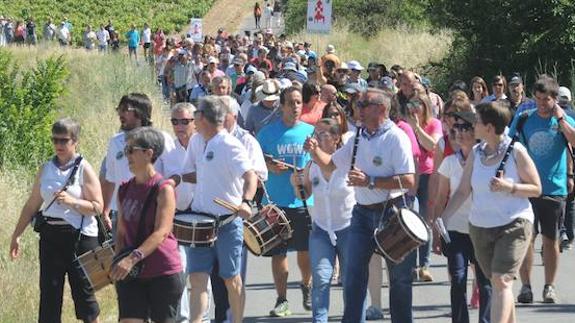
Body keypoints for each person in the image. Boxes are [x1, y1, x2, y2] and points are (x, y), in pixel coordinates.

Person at [307, 87, 417, 323]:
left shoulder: (396, 138)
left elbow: (408, 180)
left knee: (399, 279)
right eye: (358, 104)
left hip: (392, 214)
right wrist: (315, 151)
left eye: (364, 104)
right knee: (353, 276)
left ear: (381, 109)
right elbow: (329, 166)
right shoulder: (359, 136)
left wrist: (371, 181)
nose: (358, 108)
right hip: (361, 215)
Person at [441, 102, 541, 323]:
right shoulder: (476, 153)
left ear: (488, 126)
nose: (471, 125)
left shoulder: (516, 151)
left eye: (476, 121)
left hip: (514, 224)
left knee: (501, 281)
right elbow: (463, 190)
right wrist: (444, 216)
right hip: (480, 227)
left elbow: (536, 188)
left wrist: (510, 187)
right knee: (500, 285)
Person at [10, 118, 103, 323]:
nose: (59, 145)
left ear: (75, 141)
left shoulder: (83, 168)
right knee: (49, 294)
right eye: (55, 140)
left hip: (79, 237)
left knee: (84, 295)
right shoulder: (46, 168)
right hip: (51, 236)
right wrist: (16, 235)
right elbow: (32, 204)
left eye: (64, 140)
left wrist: (73, 202)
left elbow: (98, 206)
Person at [181, 96, 258, 323]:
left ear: (201, 117)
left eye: (195, 114)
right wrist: (175, 178)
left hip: (227, 222)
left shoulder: (230, 145)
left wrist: (247, 202)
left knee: (231, 279)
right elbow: (200, 174)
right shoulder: (196, 141)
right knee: (197, 279)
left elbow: (250, 175)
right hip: (200, 222)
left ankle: (237, 321)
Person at [110, 126, 184, 323]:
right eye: (126, 150)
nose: (127, 155)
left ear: (148, 153)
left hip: (163, 272)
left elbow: (162, 232)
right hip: (131, 273)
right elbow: (121, 231)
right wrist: (118, 260)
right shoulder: (124, 189)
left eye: (131, 150)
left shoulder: (164, 189)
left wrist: (132, 259)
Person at [513, 76, 575, 304]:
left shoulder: (563, 120)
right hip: (527, 187)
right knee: (526, 238)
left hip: (553, 188)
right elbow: (510, 147)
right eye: (538, 99)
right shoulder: (523, 119)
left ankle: (549, 285)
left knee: (551, 240)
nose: (541, 104)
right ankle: (526, 286)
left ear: (555, 99)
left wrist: (560, 118)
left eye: (546, 100)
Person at [257, 86, 315, 317]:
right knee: (278, 253)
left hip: (302, 202)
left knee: (305, 251)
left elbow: (320, 162)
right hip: (274, 203)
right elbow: (255, 161)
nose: (295, 106)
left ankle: (306, 284)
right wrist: (269, 166)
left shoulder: (311, 132)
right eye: (290, 102)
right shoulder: (267, 133)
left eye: (299, 102)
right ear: (281, 105)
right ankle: (282, 300)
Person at [431, 111, 492, 323]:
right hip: (455, 230)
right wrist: (436, 232)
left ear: (476, 131)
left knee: (485, 282)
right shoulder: (448, 162)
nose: (457, 132)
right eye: (454, 128)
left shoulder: (487, 160)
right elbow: (440, 199)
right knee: (457, 279)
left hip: (482, 229)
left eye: (464, 128)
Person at [291, 118, 353, 322]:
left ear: (336, 138)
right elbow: (304, 193)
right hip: (321, 230)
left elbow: (329, 167)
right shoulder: (311, 165)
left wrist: (315, 153)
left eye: (322, 135)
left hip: (348, 229)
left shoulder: (345, 161)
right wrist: (296, 184)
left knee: (351, 282)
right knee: (320, 279)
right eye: (314, 134)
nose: (315, 139)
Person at [162, 103, 212, 323]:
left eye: (185, 121)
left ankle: (202, 318)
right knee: (179, 268)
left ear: (196, 121)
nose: (179, 126)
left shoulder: (206, 146)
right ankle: (183, 318)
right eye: (175, 121)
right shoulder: (167, 151)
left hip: (203, 215)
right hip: (177, 215)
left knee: (201, 273)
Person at [101, 93, 175, 236]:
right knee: (122, 256)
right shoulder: (115, 142)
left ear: (140, 112)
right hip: (122, 214)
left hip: (152, 210)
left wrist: (163, 194)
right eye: (119, 109)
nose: (120, 114)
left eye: (125, 110)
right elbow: (110, 179)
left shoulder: (161, 138)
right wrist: (106, 210)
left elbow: (175, 175)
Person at [403, 90, 443, 282]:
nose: (414, 109)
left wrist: (417, 129)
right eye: (411, 105)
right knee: (410, 220)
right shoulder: (404, 125)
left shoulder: (434, 124)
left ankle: (424, 265)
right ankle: (410, 266)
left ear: (426, 107)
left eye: (418, 105)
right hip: (410, 175)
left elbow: (432, 146)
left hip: (427, 175)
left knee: (426, 221)